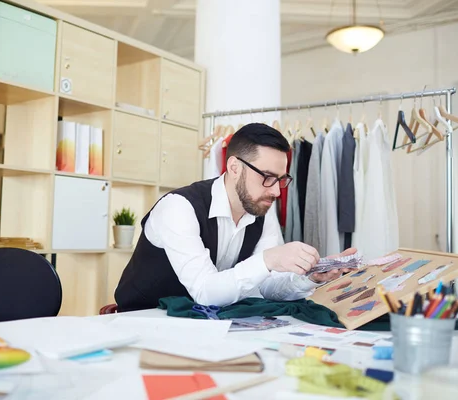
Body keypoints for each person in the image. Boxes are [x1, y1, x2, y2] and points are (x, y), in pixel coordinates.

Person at [114, 123, 355, 312]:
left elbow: (268, 286)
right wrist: (269, 259)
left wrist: (310, 278)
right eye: (268, 177)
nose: (275, 191)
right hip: (141, 319)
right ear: (234, 167)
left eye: (281, 180)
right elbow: (205, 291)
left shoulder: (262, 210)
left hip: (198, 323)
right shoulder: (179, 207)